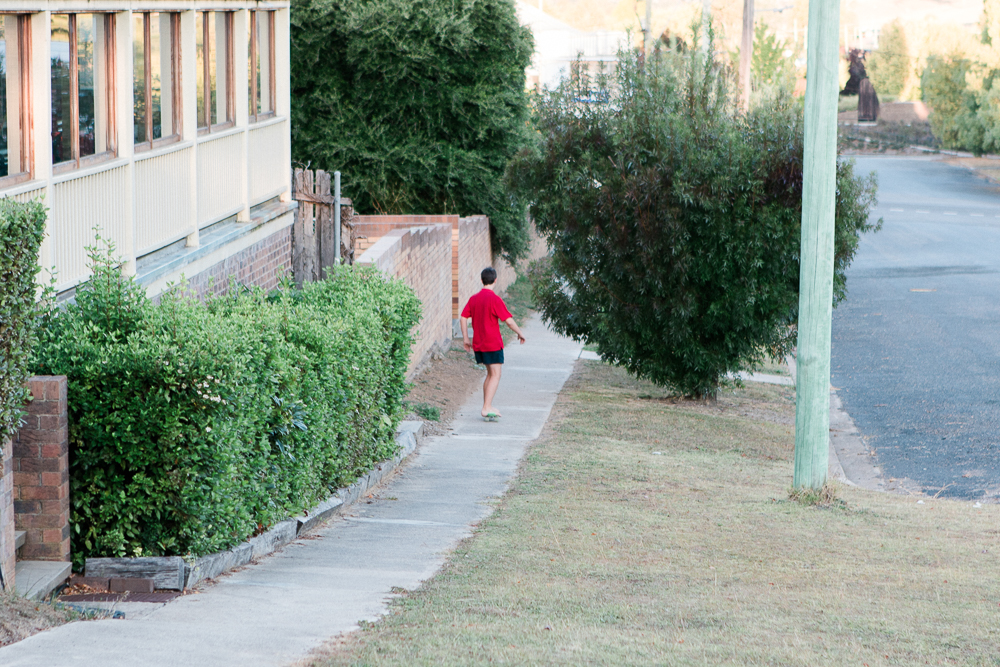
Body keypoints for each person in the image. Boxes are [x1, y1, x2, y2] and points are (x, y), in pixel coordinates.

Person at [460, 267, 526, 420]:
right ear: (495, 280)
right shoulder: (495, 299)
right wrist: (520, 333)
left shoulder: (474, 298)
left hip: (479, 344)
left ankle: (487, 405)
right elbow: (508, 321)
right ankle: (486, 407)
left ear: (482, 280)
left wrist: (465, 338)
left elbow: (463, 317)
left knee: (490, 374)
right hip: (493, 344)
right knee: (496, 375)